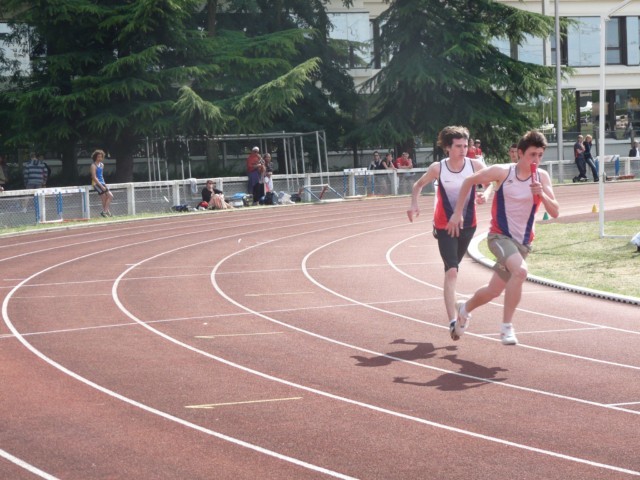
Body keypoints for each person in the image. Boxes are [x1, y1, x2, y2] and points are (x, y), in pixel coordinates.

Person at [446, 130, 560, 345]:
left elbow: (555, 212)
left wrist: (541, 194)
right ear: (519, 153)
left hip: (523, 243)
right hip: (499, 236)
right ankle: (506, 327)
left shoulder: (542, 177)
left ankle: (464, 308)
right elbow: (469, 181)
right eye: (532, 155)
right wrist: (458, 212)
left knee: (493, 291)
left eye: (540, 155)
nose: (536, 160)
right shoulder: (503, 172)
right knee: (521, 271)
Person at [407, 126, 492, 341]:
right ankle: (453, 322)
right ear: (447, 147)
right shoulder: (438, 168)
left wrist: (485, 193)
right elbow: (418, 185)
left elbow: (493, 182)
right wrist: (414, 205)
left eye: (466, 145)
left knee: (455, 267)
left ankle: (456, 302)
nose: (464, 150)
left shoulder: (475, 165)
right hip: (444, 224)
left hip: (468, 225)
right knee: (451, 271)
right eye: (458, 146)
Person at [90, 149, 113, 217]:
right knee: (104, 197)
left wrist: (104, 184)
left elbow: (101, 175)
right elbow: (94, 177)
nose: (100, 158)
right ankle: (106, 212)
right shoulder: (93, 166)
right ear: (95, 157)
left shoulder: (102, 165)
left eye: (101, 157)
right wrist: (101, 186)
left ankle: (105, 212)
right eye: (98, 157)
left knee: (110, 196)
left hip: (102, 183)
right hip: (96, 184)